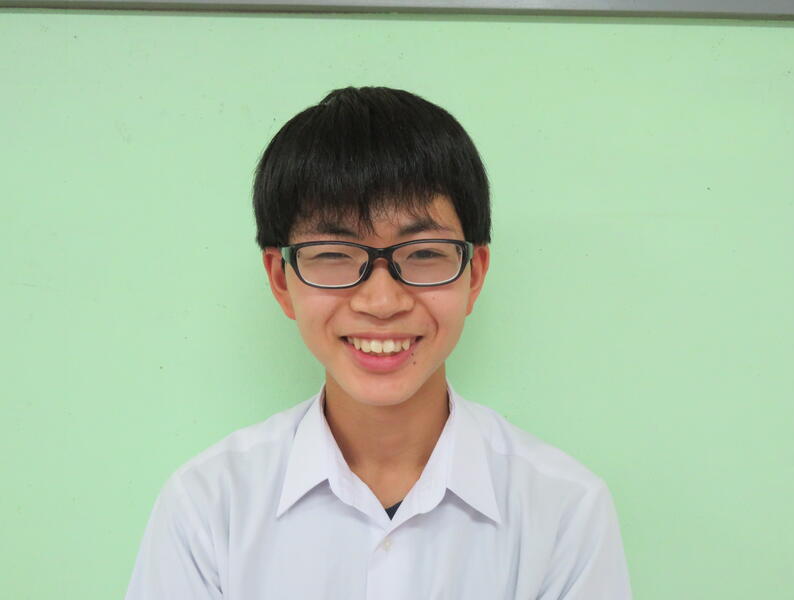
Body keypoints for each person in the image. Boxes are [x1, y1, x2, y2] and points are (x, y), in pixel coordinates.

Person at [124, 86, 632, 599]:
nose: (382, 301)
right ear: (281, 279)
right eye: (333, 254)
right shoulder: (209, 506)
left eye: (424, 253)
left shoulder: (563, 509)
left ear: (474, 274)